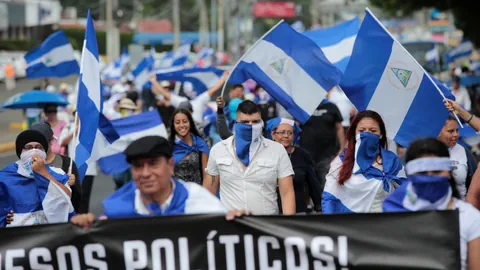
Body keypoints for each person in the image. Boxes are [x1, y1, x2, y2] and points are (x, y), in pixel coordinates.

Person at [71, 136, 246, 227]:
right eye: (138, 166)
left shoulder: (198, 200)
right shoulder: (117, 209)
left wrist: (238, 225)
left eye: (153, 164)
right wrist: (86, 230)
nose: (145, 173)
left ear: (170, 165)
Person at [383, 138, 480, 270]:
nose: (429, 177)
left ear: (449, 173)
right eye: (422, 173)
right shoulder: (394, 213)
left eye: (436, 171)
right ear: (410, 175)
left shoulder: (469, 217)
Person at [204, 100, 296, 215]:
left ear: (261, 122)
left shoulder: (277, 150)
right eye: (245, 122)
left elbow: (286, 192)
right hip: (230, 226)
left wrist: (288, 227)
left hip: (267, 226)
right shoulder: (218, 150)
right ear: (236, 122)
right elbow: (208, 193)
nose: (250, 126)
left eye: (255, 122)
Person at [322, 110, 406, 213]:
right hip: (350, 225)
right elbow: (329, 197)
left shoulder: (392, 162)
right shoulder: (340, 162)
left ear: (381, 135)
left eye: (373, 131)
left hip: (384, 224)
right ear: (355, 133)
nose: (367, 134)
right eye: (362, 131)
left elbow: (406, 193)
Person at [0, 129, 73, 227]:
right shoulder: (5, 176)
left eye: (39, 147)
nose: (34, 151)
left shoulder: (57, 173)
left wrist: (43, 172)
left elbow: (66, 199)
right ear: (20, 152)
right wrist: (5, 217)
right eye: (28, 148)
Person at [266, 118, 322, 213]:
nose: (286, 136)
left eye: (290, 133)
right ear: (273, 134)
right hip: (270, 212)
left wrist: (319, 207)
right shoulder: (264, 155)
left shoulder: (303, 155)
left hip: (298, 211)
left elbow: (313, 184)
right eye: (282, 132)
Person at [30, 122, 83, 213]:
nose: (37, 148)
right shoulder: (26, 165)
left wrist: (73, 186)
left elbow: (77, 201)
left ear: (51, 141)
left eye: (41, 143)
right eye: (31, 145)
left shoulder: (67, 164)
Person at [300, 99, 345, 199]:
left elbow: (339, 128)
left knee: (326, 184)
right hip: (305, 154)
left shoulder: (331, 106)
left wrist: (342, 148)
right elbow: (296, 126)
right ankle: (308, 208)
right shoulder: (302, 105)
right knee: (305, 184)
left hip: (327, 154)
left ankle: (326, 210)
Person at [150, 71, 228, 126]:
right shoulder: (183, 101)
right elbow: (213, 89)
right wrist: (223, 77)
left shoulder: (196, 100)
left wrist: (224, 77)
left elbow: (213, 89)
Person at [437, 115, 477, 200]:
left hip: (462, 207)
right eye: (451, 131)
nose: (456, 134)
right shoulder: (426, 152)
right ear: (438, 132)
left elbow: (476, 183)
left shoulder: (464, 151)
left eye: (457, 130)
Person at [169, 109, 210, 185]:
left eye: (185, 121)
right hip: (179, 192)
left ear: (190, 123)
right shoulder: (169, 146)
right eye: (177, 123)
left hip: (197, 192)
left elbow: (206, 175)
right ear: (173, 126)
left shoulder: (200, 144)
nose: (181, 125)